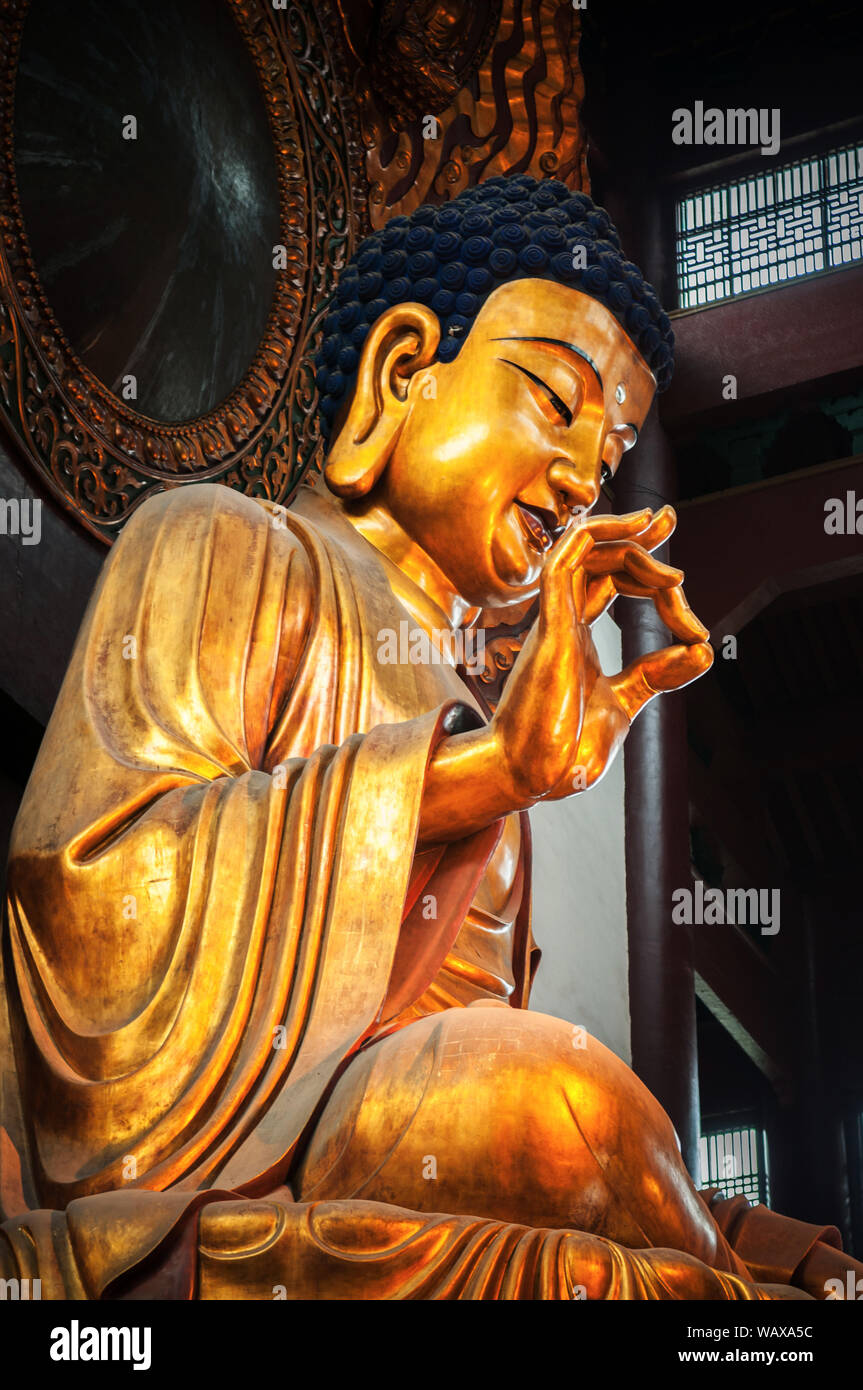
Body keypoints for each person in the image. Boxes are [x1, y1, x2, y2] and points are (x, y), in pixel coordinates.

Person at [0, 176, 854, 1299]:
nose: (576, 482)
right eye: (555, 404)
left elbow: (472, 1041)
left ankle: (721, 1260)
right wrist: (481, 775)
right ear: (403, 368)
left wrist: (505, 771)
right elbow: (87, 890)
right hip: (262, 1136)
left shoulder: (487, 689)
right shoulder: (224, 545)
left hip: (426, 1135)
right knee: (547, 1101)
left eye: (604, 463)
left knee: (576, 1126)